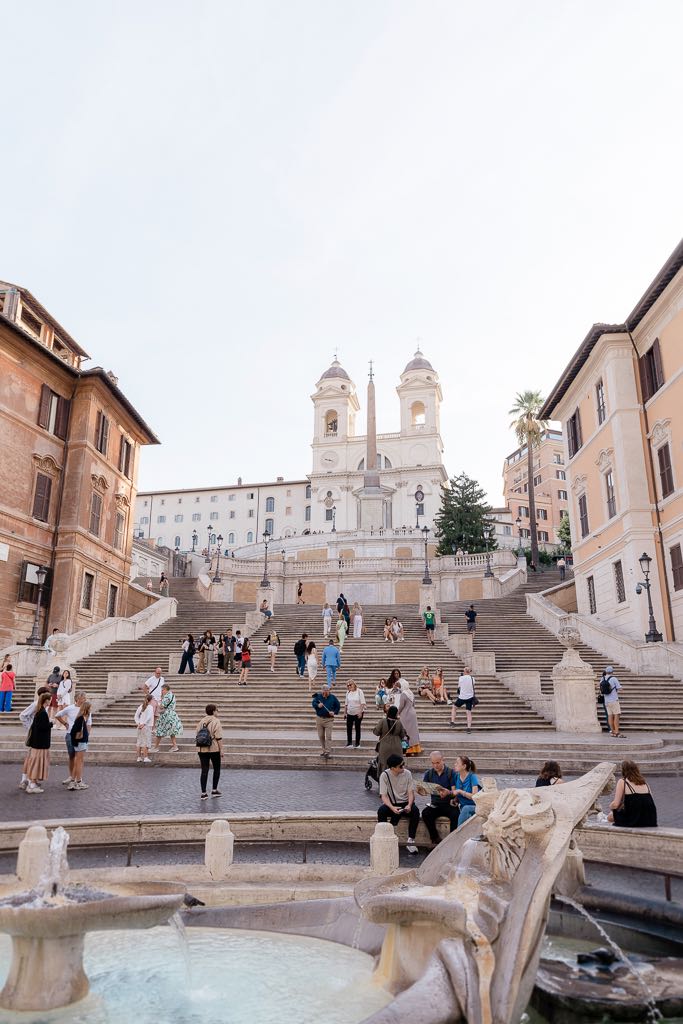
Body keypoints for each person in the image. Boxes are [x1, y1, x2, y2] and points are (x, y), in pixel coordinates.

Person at [377, 754, 420, 855]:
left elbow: (411, 792)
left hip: (405, 803)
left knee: (415, 811)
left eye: (403, 764)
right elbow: (383, 796)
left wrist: (409, 805)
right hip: (392, 803)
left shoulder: (407, 773)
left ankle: (411, 840)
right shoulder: (385, 775)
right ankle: (383, 838)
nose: (403, 767)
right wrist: (392, 808)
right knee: (381, 811)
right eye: (401, 766)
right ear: (393, 768)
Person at [419, 750, 459, 845]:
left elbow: (454, 792)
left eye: (437, 763)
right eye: (433, 763)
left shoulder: (451, 773)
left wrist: (448, 792)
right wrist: (421, 790)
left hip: (448, 804)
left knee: (456, 814)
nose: (435, 766)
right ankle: (435, 838)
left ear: (442, 760)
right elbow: (424, 789)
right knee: (425, 813)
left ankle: (451, 840)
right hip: (435, 804)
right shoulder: (429, 773)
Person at [55, 691, 92, 790]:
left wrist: (87, 736)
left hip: (80, 737)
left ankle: (75, 779)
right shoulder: (70, 708)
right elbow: (57, 715)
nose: (84, 699)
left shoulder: (86, 711)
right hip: (71, 735)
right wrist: (65, 724)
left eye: (85, 698)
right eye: (83, 698)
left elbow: (89, 724)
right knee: (72, 757)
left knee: (77, 758)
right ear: (77, 699)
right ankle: (73, 778)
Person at [608, 760, 657, 828]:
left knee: (610, 816)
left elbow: (616, 804)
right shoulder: (644, 782)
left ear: (623, 770)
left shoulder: (623, 781)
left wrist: (610, 806)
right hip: (650, 819)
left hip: (633, 819)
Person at [23, 692, 52, 793]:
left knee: (35, 762)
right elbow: (43, 727)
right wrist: (50, 724)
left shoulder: (40, 711)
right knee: (36, 763)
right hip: (40, 744)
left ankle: (33, 782)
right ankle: (32, 784)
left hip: (37, 743)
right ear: (46, 701)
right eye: (50, 699)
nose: (50, 701)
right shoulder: (42, 713)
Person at [196, 703, 223, 799]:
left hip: (201, 748)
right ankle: (214, 790)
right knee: (216, 769)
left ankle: (203, 793)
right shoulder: (216, 721)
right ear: (213, 711)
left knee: (204, 770)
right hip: (214, 748)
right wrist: (221, 750)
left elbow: (197, 734)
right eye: (217, 710)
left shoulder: (201, 721)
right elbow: (218, 737)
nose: (217, 712)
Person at [373, 705, 406, 775]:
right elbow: (402, 735)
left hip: (385, 746)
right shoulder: (399, 723)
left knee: (384, 763)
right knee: (397, 764)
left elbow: (376, 732)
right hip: (397, 746)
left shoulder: (383, 721)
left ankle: (384, 779)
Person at [68, 700, 92, 791]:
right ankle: (78, 782)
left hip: (80, 742)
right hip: (80, 742)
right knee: (79, 762)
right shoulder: (81, 719)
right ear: (87, 709)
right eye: (90, 708)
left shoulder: (81, 718)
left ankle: (73, 782)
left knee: (77, 762)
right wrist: (76, 742)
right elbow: (73, 731)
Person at [311, 683, 340, 758]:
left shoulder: (333, 697)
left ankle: (327, 752)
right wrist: (317, 705)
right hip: (319, 719)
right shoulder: (318, 696)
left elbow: (338, 706)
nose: (325, 693)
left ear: (329, 691)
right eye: (324, 691)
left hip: (329, 720)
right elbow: (313, 703)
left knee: (328, 736)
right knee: (321, 736)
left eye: (327, 691)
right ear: (322, 691)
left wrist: (334, 712)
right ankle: (324, 751)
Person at [451, 755, 481, 827]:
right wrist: (455, 800)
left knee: (466, 809)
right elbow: (456, 793)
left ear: (464, 766)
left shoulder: (472, 776)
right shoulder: (456, 777)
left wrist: (460, 791)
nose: (455, 764)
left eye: (457, 763)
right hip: (463, 807)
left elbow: (474, 796)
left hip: (475, 807)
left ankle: (458, 834)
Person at [153, 683, 183, 752]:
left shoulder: (166, 697)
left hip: (166, 715)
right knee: (171, 731)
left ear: (166, 689)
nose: (162, 691)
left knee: (159, 730)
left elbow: (162, 706)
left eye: (162, 690)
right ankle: (175, 746)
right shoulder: (172, 695)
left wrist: (159, 703)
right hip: (172, 714)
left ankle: (156, 747)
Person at [398, 679, 422, 756]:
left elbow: (401, 706)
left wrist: (397, 713)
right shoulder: (411, 693)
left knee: (406, 732)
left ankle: (407, 749)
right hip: (412, 713)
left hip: (405, 714)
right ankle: (415, 748)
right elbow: (413, 704)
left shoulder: (403, 694)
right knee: (413, 732)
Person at [450, 667, 476, 732]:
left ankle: (452, 722)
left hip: (462, 697)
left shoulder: (461, 678)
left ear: (464, 671)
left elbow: (459, 686)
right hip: (470, 697)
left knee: (454, 707)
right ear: (469, 672)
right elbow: (473, 686)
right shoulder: (472, 678)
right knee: (468, 712)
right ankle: (468, 728)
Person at [601, 665, 623, 738]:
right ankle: (617, 731)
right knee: (617, 715)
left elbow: (600, 687)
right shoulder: (614, 678)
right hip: (614, 700)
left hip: (606, 701)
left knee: (610, 716)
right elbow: (619, 688)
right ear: (612, 672)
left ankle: (612, 732)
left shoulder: (602, 678)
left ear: (606, 671)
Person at [344, 679, 366, 748]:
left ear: (354, 684)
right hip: (349, 712)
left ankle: (357, 743)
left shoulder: (359, 691)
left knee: (357, 728)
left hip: (358, 712)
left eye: (350, 685)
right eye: (348, 685)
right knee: (349, 728)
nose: (349, 686)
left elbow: (362, 703)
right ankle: (349, 743)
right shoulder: (348, 692)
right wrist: (345, 713)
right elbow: (346, 704)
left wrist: (360, 712)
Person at [134, 695, 154, 763]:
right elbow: (149, 717)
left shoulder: (141, 706)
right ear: (151, 700)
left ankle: (139, 757)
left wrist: (138, 723)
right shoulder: (150, 707)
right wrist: (144, 723)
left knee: (139, 742)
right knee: (146, 742)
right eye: (153, 699)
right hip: (146, 726)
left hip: (140, 726)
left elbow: (136, 716)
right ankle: (145, 757)